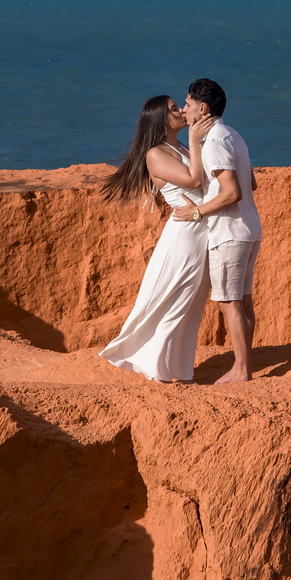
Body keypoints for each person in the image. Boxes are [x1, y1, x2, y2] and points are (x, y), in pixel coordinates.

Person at [98, 95, 217, 382]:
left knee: (191, 303)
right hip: (184, 236)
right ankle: (156, 368)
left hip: (201, 229)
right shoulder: (155, 153)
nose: (181, 111)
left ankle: (179, 369)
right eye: (175, 109)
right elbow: (195, 180)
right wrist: (197, 140)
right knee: (174, 299)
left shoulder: (178, 147)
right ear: (161, 120)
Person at [172, 78, 262, 384]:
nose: (183, 110)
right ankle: (245, 364)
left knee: (229, 303)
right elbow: (251, 184)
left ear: (202, 108)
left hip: (229, 233)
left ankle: (241, 370)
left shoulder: (214, 142)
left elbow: (232, 192)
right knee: (244, 301)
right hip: (250, 229)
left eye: (187, 104)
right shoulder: (234, 136)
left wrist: (197, 211)